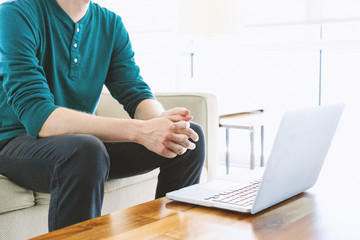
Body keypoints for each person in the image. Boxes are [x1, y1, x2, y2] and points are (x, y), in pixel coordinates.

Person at [0, 0, 205, 231]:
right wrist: (141, 131)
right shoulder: (15, 14)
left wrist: (163, 122)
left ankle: (169, 235)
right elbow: (40, 117)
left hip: (82, 144)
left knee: (187, 137)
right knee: (84, 150)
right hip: (16, 142)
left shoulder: (110, 23)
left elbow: (134, 91)